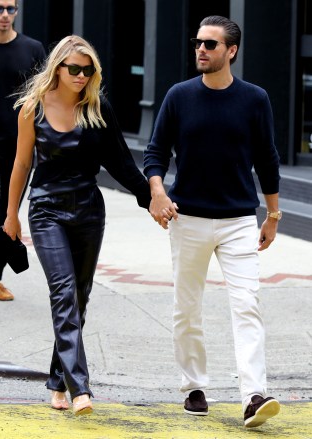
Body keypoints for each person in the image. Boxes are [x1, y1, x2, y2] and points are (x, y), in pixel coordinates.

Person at [143, 15, 281, 428]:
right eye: (198, 43)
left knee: (247, 305)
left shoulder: (255, 99)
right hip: (189, 220)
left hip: (239, 219)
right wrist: (157, 191)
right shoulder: (178, 96)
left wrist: (273, 214)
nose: (200, 49)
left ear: (231, 51)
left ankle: (254, 395)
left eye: (210, 44)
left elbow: (268, 160)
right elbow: (155, 151)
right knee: (187, 308)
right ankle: (194, 387)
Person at [3, 34, 151, 415]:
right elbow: (21, 164)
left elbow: (121, 163)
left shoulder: (97, 108)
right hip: (47, 210)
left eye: (88, 70)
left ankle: (58, 380)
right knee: (64, 292)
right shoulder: (32, 108)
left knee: (79, 297)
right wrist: (11, 214)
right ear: (57, 67)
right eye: (75, 69)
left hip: (88, 211)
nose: (82, 76)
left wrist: (152, 198)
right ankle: (80, 388)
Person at [0, 0, 46, 316]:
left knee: (9, 218)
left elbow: (47, 90)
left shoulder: (33, 49)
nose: (5, 14)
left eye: (11, 9)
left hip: (22, 146)